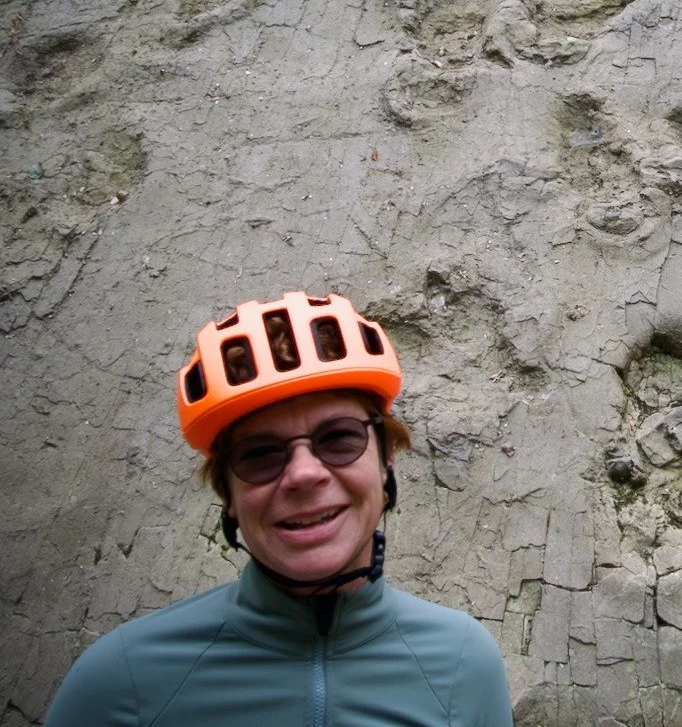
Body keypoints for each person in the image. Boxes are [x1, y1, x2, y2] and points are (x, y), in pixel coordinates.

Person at [46, 291, 512, 727]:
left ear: (386, 458)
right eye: (260, 454)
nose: (304, 474)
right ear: (227, 493)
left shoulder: (463, 665)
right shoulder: (120, 682)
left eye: (338, 438)